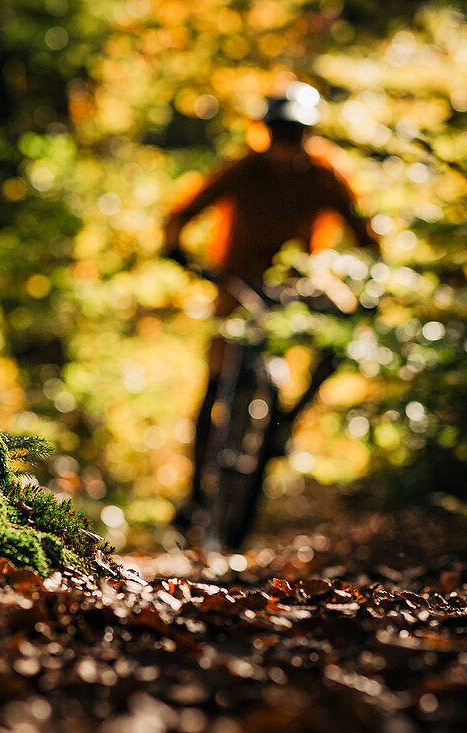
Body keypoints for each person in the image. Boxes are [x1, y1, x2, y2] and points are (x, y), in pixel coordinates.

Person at [162, 81, 381, 543]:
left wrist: (369, 284)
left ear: (308, 134)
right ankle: (195, 493)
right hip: (237, 286)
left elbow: (366, 236)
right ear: (266, 133)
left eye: (295, 134)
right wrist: (177, 251)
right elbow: (181, 213)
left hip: (300, 284)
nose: (286, 144)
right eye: (279, 133)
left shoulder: (326, 174)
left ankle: (289, 420)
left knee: (344, 331)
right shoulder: (244, 169)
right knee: (216, 386)